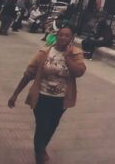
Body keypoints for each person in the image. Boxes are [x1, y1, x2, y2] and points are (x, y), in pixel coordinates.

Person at [8, 25, 86, 164]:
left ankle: (41, 148)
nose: (63, 37)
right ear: (56, 36)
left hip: (61, 99)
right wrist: (15, 94)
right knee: (41, 126)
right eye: (60, 35)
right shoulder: (44, 52)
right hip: (41, 96)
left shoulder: (76, 54)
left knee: (52, 125)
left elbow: (79, 72)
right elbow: (29, 74)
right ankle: (39, 154)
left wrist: (67, 58)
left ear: (72, 38)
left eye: (67, 35)